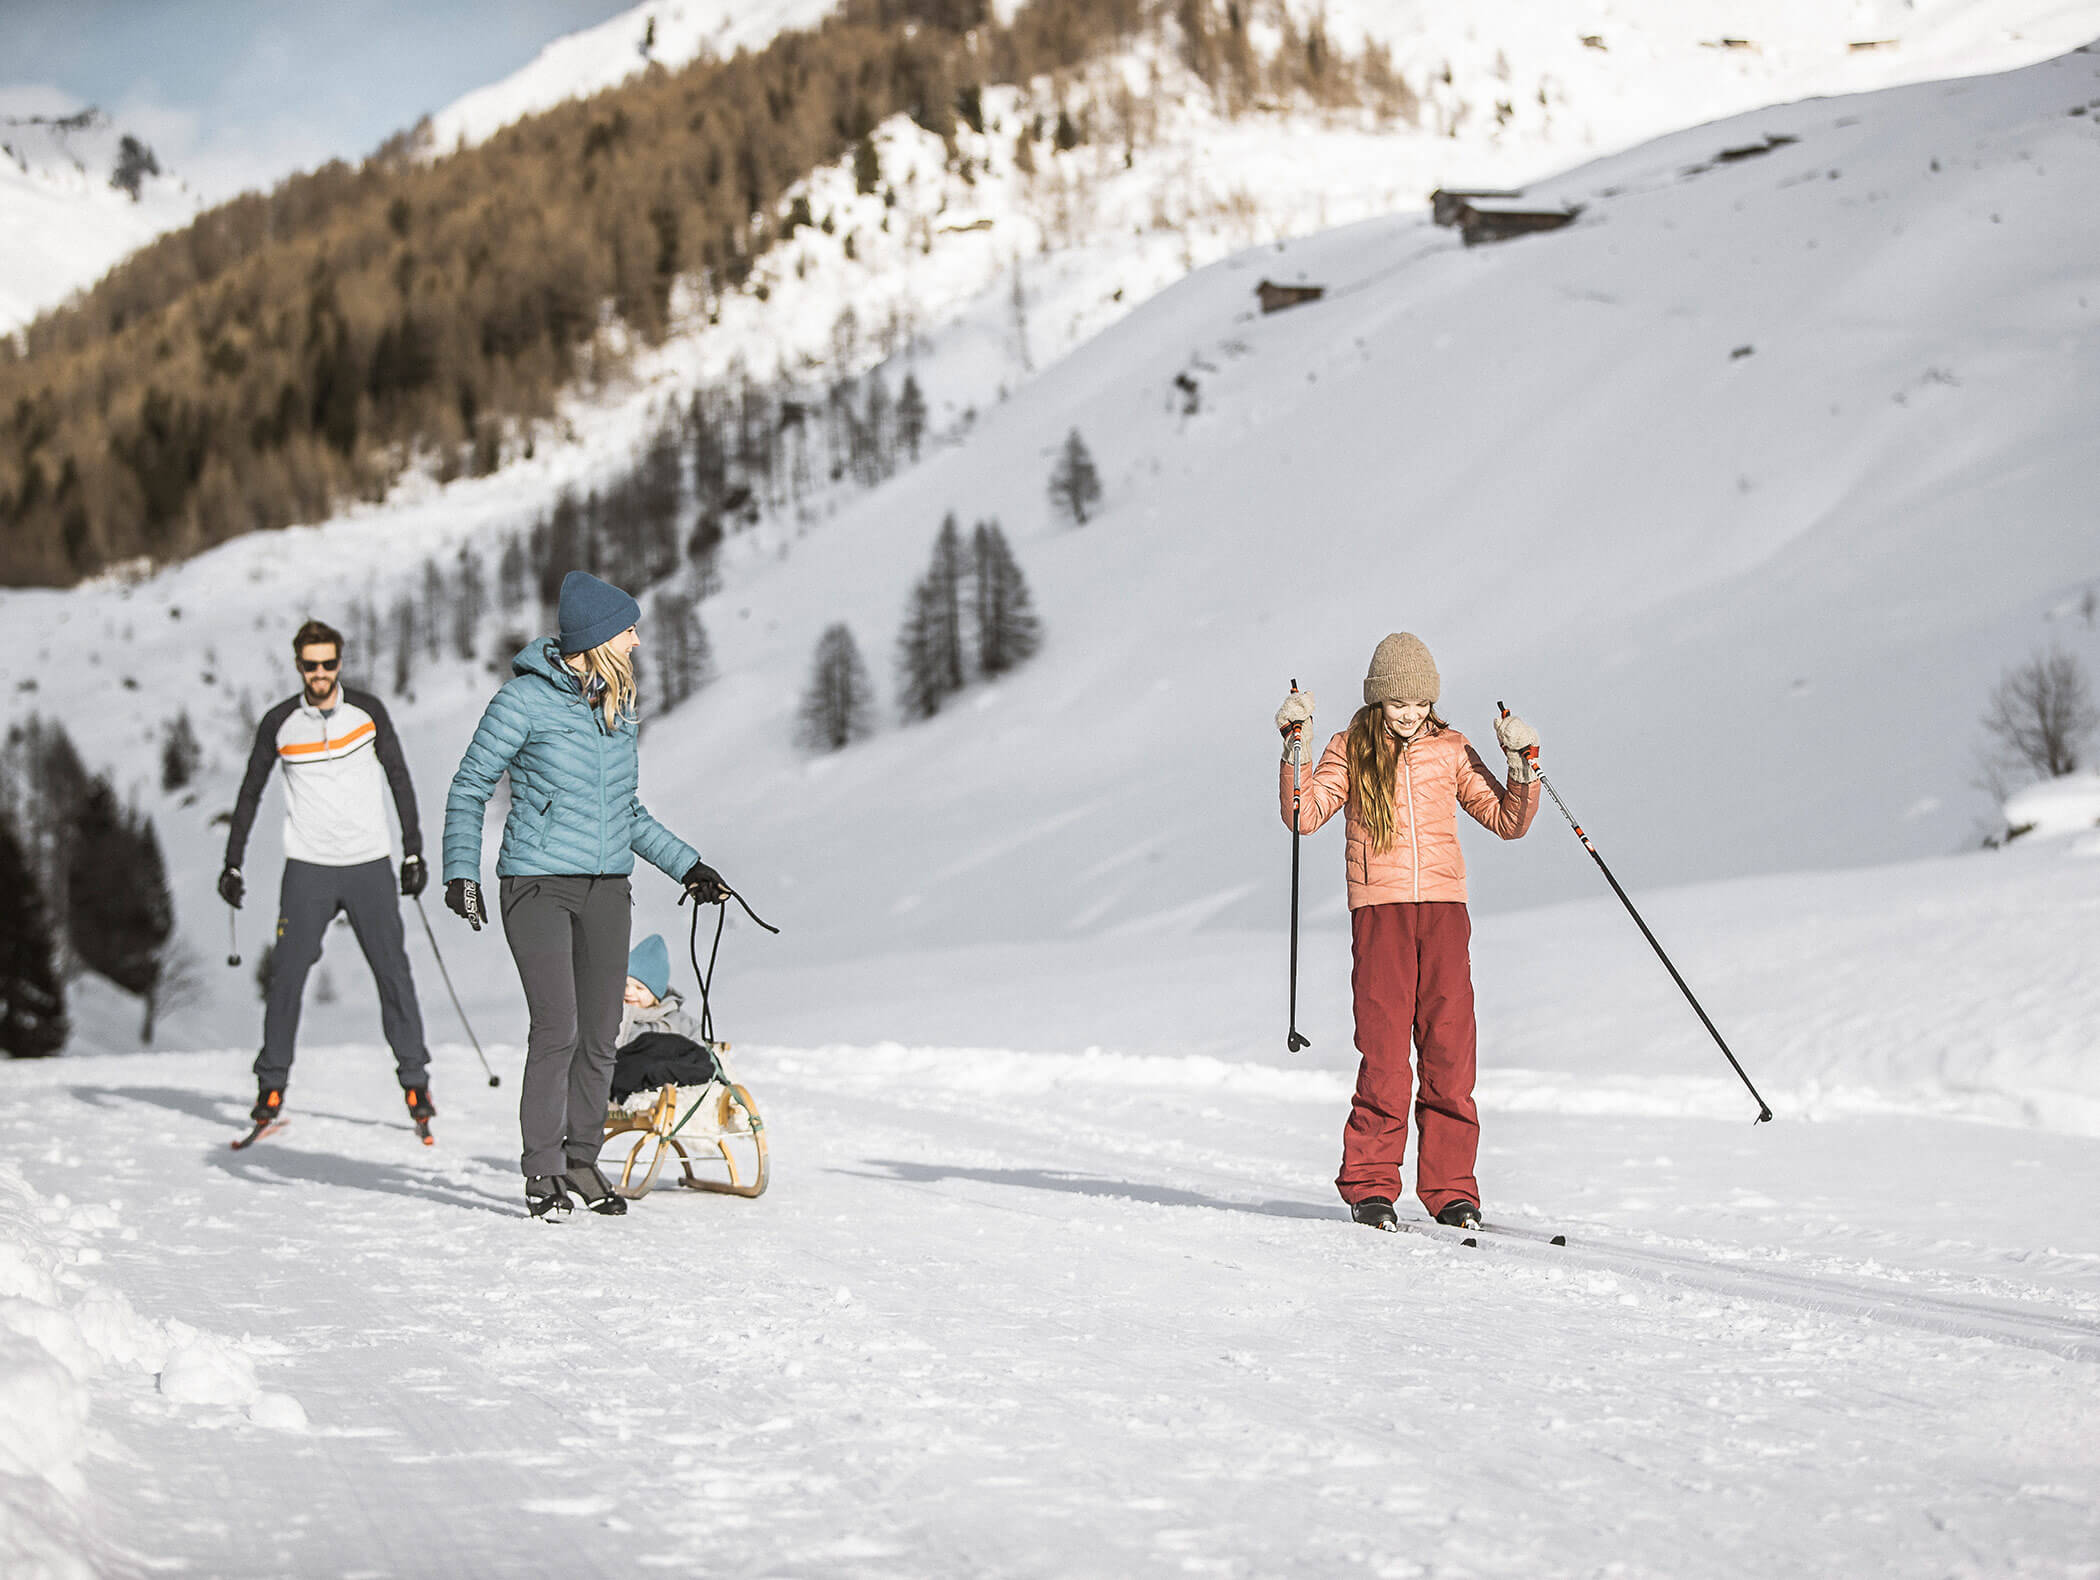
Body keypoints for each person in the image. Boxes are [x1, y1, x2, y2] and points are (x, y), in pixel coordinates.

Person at [442, 571, 725, 1220]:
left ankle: (581, 1160)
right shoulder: (521, 703)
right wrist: (461, 871)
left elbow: (627, 812)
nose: (635, 640)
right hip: (536, 885)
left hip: (606, 890)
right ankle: (541, 1172)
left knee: (600, 1035)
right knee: (557, 1029)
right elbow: (469, 787)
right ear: (598, 636)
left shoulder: (616, 708)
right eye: (628, 630)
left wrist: (690, 868)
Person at [1275, 632, 1540, 1234]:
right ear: (1377, 701)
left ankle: (1451, 1191)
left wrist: (1522, 763)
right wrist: (1297, 746)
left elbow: (1508, 820)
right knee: (1387, 1053)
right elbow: (1303, 815)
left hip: (1445, 911)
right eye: (1397, 704)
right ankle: (1371, 1186)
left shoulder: (1451, 749)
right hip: (1380, 912)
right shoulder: (1349, 747)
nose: (1410, 714)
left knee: (1450, 1051)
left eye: (1420, 704)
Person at [220, 618, 434, 1137]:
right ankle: (270, 1087)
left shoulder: (368, 711)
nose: (320, 673)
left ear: (340, 663)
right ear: (298, 666)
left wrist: (413, 851)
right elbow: (250, 793)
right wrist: (232, 861)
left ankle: (415, 1083)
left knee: (394, 975)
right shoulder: (279, 722)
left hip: (368, 864)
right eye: (311, 665)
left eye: (329, 663)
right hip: (309, 869)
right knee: (287, 978)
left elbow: (399, 778)